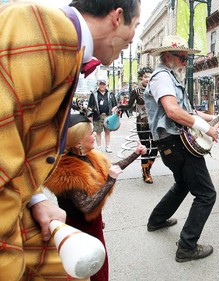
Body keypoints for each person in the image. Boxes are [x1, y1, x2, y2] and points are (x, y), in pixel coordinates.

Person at [0, 1, 140, 279]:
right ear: (117, 17)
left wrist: (36, 198)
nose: (133, 38)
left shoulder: (66, 44)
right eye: (135, 27)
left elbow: (20, 142)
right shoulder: (40, 26)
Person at [143, 35, 219, 262]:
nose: (186, 62)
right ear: (168, 56)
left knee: (182, 184)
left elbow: (188, 112)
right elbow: (173, 111)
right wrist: (207, 129)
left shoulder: (170, 77)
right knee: (206, 194)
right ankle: (187, 247)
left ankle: (156, 220)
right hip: (177, 143)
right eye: (182, 57)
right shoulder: (162, 77)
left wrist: (216, 117)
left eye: (187, 58)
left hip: (172, 144)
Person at [43, 114, 146, 281]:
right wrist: (110, 180)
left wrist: (135, 153)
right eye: (91, 133)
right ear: (77, 142)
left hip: (94, 224)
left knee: (100, 265)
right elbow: (86, 206)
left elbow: (111, 168)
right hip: (79, 230)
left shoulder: (89, 156)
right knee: (85, 269)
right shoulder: (67, 170)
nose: (94, 136)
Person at [119, 67, 158, 184]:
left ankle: (148, 169)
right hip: (142, 122)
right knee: (145, 147)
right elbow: (129, 105)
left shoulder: (156, 89)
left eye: (150, 76)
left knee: (156, 147)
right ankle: (146, 172)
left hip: (156, 122)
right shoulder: (136, 91)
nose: (148, 78)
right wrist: (119, 107)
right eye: (146, 76)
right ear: (141, 77)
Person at [88, 80, 118, 153]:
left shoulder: (110, 94)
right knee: (98, 132)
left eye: (103, 84)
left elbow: (115, 104)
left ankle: (107, 146)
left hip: (108, 116)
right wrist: (90, 116)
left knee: (107, 131)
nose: (102, 86)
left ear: (106, 85)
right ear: (98, 85)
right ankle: (99, 147)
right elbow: (90, 106)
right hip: (97, 115)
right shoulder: (94, 94)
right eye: (100, 84)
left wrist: (115, 110)